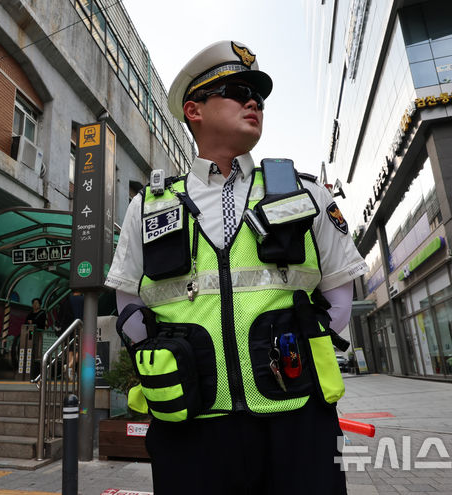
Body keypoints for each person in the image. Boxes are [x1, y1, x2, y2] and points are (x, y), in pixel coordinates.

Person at [105, 40, 368, 494]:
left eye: (260, 97)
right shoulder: (147, 205)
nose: (254, 102)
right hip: (190, 420)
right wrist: (174, 360)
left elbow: (341, 291)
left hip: (297, 415)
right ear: (194, 110)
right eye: (236, 90)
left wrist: (305, 352)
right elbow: (128, 300)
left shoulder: (305, 194)